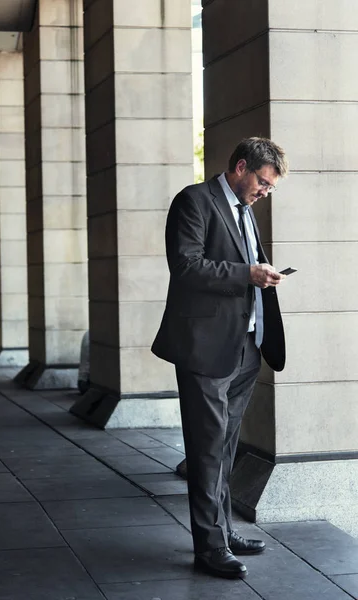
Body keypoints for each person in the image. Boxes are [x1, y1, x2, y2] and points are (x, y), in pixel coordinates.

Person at [151, 137, 289, 579]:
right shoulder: (194, 201)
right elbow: (187, 266)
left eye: (270, 187)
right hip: (205, 347)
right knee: (207, 449)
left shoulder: (246, 211)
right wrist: (248, 274)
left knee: (227, 448)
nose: (265, 192)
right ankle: (209, 547)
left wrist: (260, 277)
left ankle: (224, 532)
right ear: (241, 167)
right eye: (263, 183)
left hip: (246, 346)